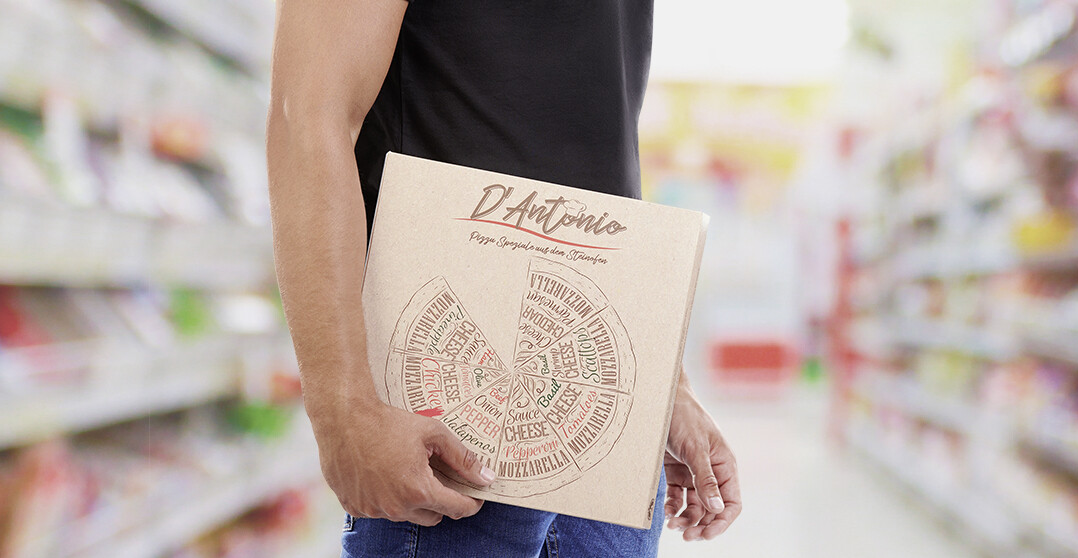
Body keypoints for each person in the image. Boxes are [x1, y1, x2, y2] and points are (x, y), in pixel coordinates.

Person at [264, 0, 742, 555]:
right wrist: (343, 411)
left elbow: (581, 143)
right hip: (444, 426)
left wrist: (663, 384)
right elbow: (309, 114)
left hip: (601, 443)